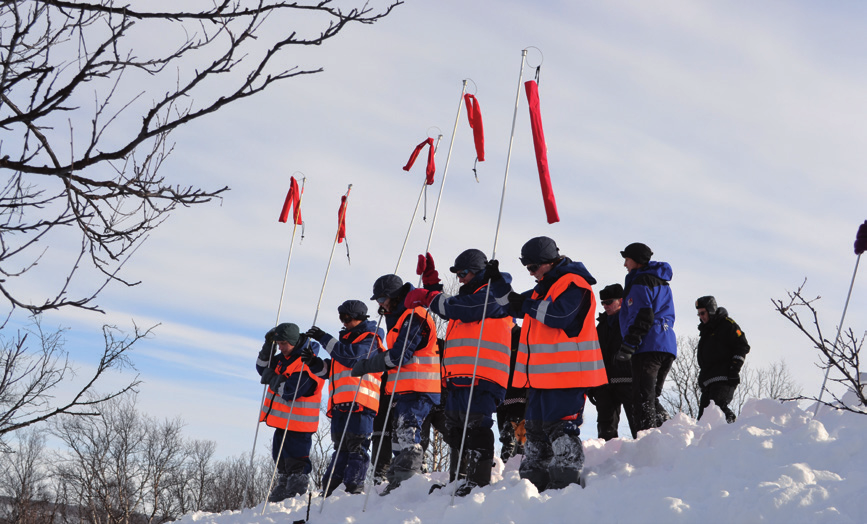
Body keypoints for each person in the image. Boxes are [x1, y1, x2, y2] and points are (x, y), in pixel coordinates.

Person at [486, 236, 608, 491]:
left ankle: (565, 488)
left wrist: (527, 304)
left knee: (561, 429)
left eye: (533, 268)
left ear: (549, 262)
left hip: (567, 376)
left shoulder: (575, 284)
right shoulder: (545, 287)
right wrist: (496, 282)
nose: (531, 274)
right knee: (535, 433)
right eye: (527, 269)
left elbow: (559, 315)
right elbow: (512, 305)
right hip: (541, 379)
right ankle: (532, 489)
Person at [404, 249, 513, 495]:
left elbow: (460, 308)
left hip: (483, 375)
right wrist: (431, 284)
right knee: (455, 430)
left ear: (478, 272)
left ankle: (478, 481)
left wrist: (427, 296)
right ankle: (458, 479)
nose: (461, 278)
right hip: (459, 377)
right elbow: (454, 305)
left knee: (476, 427)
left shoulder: (493, 294)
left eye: (463, 273)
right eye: (458, 273)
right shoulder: (468, 297)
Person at [351, 274, 440, 495]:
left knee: (408, 433)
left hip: (419, 387)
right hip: (404, 389)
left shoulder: (414, 316)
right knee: (400, 436)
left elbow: (399, 355)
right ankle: (399, 481)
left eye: (382, 299)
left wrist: (369, 364)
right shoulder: (399, 319)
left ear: (394, 296)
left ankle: (407, 480)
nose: (380, 305)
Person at [303, 300, 386, 496]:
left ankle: (353, 488)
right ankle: (331, 489)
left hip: (361, 403)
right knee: (340, 448)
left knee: (357, 447)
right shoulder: (344, 343)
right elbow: (332, 370)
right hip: (340, 404)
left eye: (347, 318)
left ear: (359, 318)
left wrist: (324, 338)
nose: (344, 322)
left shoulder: (371, 340)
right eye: (342, 318)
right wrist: (314, 363)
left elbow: (351, 358)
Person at [255, 322, 326, 503]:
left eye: (283, 344)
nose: (280, 348)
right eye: (278, 344)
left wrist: (271, 377)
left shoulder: (307, 362)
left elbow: (289, 391)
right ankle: (283, 491)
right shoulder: (283, 359)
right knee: (282, 462)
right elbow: (262, 368)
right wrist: (267, 346)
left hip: (299, 425)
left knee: (297, 463)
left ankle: (296, 495)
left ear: (294, 342)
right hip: (283, 423)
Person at [616, 242, 677, 435]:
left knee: (642, 398)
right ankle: (670, 430)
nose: (625, 264)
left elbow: (643, 315)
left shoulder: (640, 282)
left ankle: (647, 440)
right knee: (651, 396)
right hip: (666, 345)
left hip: (648, 346)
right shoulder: (661, 281)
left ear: (636, 260)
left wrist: (629, 344)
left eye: (627, 259)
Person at [588, 283, 636, 440]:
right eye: (603, 303)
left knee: (637, 424)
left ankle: (645, 458)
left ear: (621, 301)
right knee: (605, 429)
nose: (605, 306)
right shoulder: (600, 326)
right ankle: (606, 461)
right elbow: (593, 356)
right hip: (604, 384)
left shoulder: (631, 323)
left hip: (627, 380)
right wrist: (591, 385)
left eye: (609, 302)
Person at [695, 296, 750, 423]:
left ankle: (732, 428)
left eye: (703, 313)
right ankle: (708, 442)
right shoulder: (705, 332)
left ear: (711, 310)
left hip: (724, 378)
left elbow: (742, 345)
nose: (700, 317)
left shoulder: (726, 325)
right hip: (708, 382)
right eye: (698, 314)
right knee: (703, 420)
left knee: (717, 411)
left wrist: (734, 369)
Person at [496, 321, 527, 462]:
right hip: (500, 395)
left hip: (518, 395)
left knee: (512, 436)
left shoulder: (522, 336)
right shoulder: (495, 337)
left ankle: (516, 468)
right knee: (504, 436)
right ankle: (509, 471)